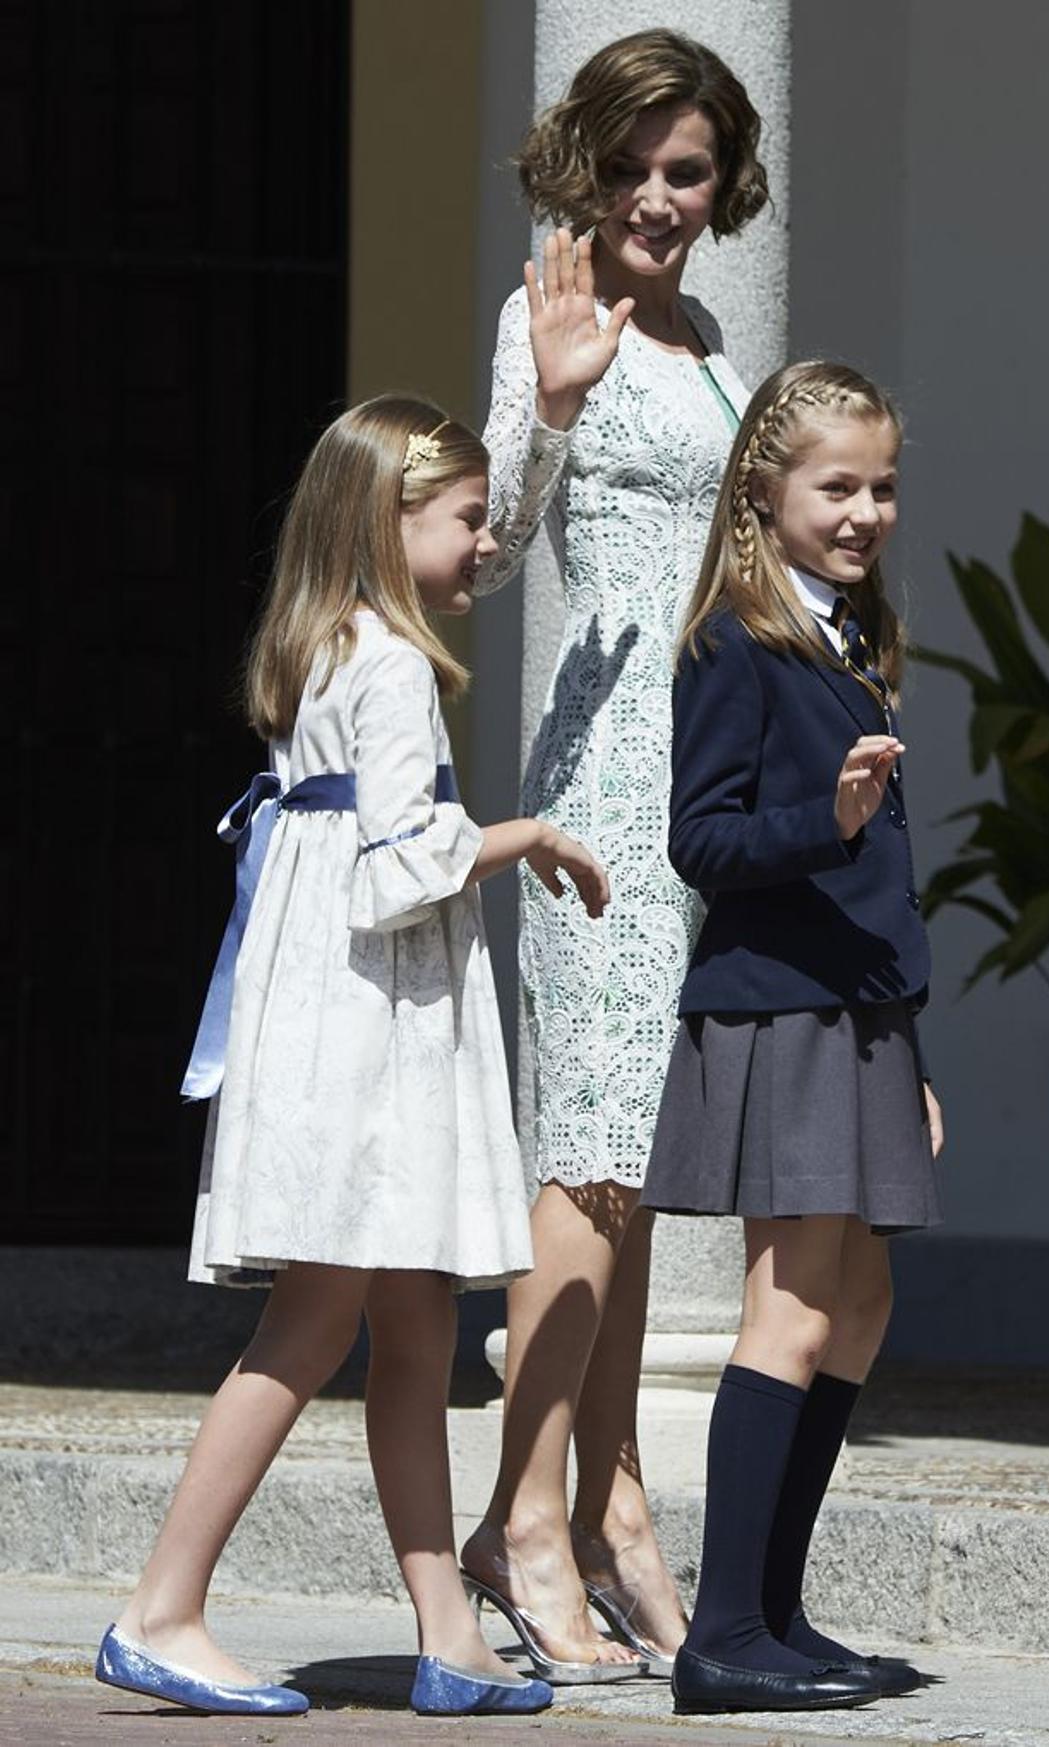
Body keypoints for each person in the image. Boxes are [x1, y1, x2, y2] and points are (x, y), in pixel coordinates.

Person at [93, 397, 609, 1720]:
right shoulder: (387, 667)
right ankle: (163, 1605)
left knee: (416, 1322)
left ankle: (449, 1632)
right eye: (467, 519)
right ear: (392, 522)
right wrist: (521, 836)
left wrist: (542, 428)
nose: (485, 545)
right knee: (319, 1318)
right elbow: (398, 868)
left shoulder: (324, 645)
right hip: (367, 1033)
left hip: (334, 1012)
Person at [460, 29, 768, 1681]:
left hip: (703, 787)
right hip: (598, 796)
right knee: (580, 1158)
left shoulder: (716, 336)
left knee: (634, 1172)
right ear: (591, 166)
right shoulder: (544, 316)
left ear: (724, 188)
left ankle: (617, 1498)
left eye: (690, 170)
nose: (659, 196)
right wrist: (557, 411)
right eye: (637, 165)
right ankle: (520, 1517)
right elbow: (492, 556)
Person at [640, 360, 945, 1715]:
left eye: (883, 486)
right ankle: (721, 1635)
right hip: (780, 1006)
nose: (867, 510)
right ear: (766, 493)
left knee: (863, 1303)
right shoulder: (735, 642)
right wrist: (815, 821)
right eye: (839, 486)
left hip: (861, 1015)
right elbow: (698, 841)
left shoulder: (856, 644)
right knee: (797, 1301)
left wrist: (913, 1056)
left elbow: (885, 877)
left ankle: (774, 1607)